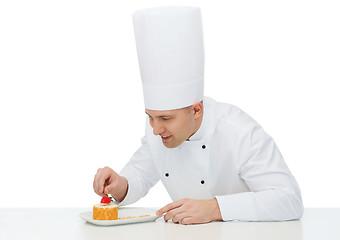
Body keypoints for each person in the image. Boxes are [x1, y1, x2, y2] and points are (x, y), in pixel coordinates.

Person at [93, 6, 304, 225]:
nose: (155, 129)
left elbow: (289, 199)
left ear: (195, 110)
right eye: (150, 117)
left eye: (165, 118)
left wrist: (214, 208)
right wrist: (122, 185)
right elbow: (141, 173)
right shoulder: (158, 129)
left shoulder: (239, 132)